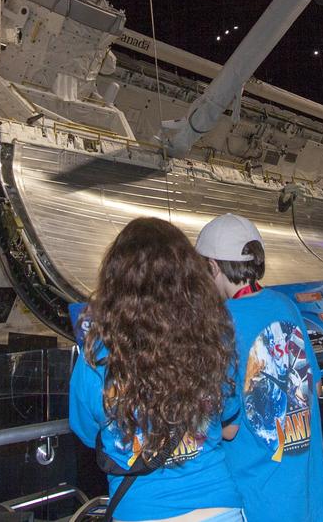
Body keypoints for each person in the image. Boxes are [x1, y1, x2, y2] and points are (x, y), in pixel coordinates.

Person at [69, 217, 245, 522]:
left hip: (141, 511)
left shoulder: (96, 357)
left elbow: (86, 432)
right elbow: (229, 420)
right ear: (189, 278)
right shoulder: (213, 340)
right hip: (219, 508)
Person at [194, 213, 323, 522]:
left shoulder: (219, 324)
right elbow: (315, 386)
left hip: (260, 502)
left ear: (213, 268)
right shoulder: (286, 306)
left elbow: (227, 428)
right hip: (308, 497)